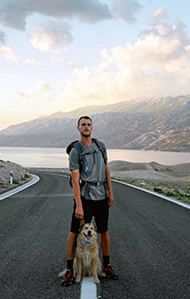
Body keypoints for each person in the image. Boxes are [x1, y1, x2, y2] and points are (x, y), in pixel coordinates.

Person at [61, 115, 118, 286]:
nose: (86, 127)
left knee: (104, 231)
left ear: (92, 128)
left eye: (88, 124)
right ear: (78, 128)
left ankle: (106, 266)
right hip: (85, 197)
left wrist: (110, 192)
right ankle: (70, 270)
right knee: (73, 231)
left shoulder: (101, 146)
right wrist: (79, 204)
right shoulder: (75, 151)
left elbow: (106, 170)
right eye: (83, 125)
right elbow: (75, 180)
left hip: (101, 195)